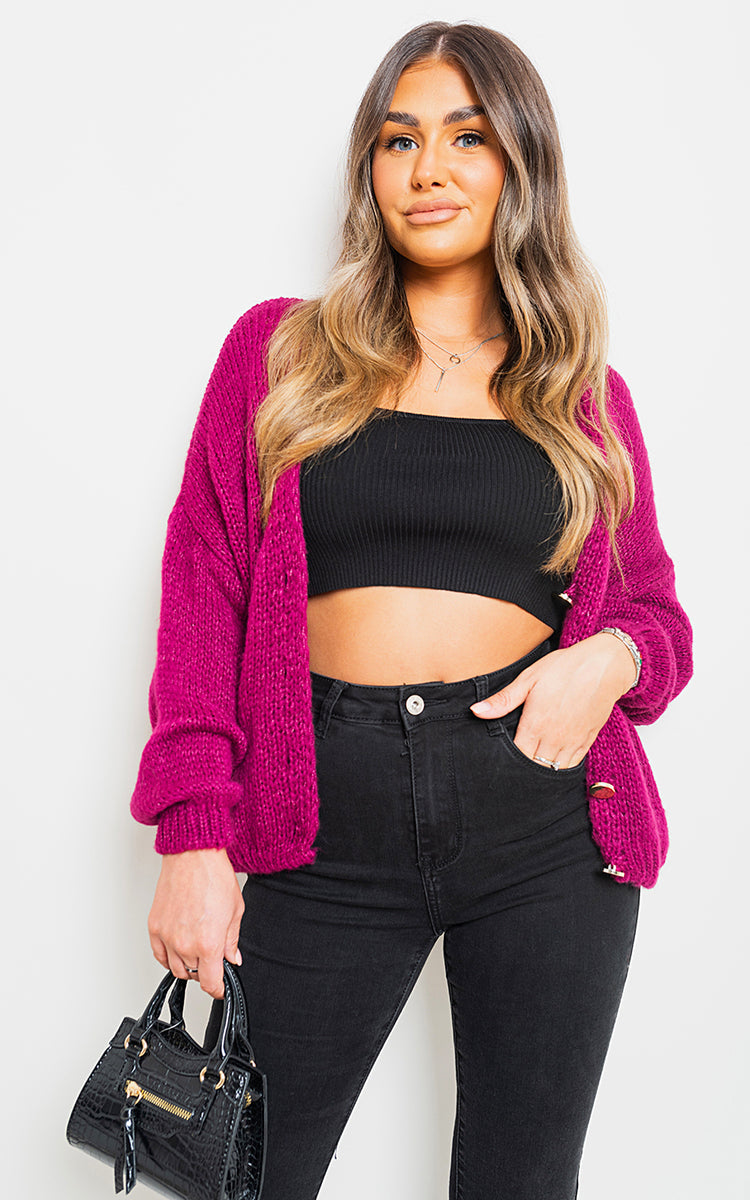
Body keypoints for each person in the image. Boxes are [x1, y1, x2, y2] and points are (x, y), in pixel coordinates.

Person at [130, 20, 693, 1200]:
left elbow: (658, 621)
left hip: (543, 822)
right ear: (370, 167)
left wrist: (608, 660)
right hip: (320, 811)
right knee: (245, 1175)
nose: (427, 169)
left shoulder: (582, 396)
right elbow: (205, 587)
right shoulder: (281, 353)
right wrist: (193, 832)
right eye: (399, 140)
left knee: (521, 1181)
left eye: (466, 138)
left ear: (520, 163)